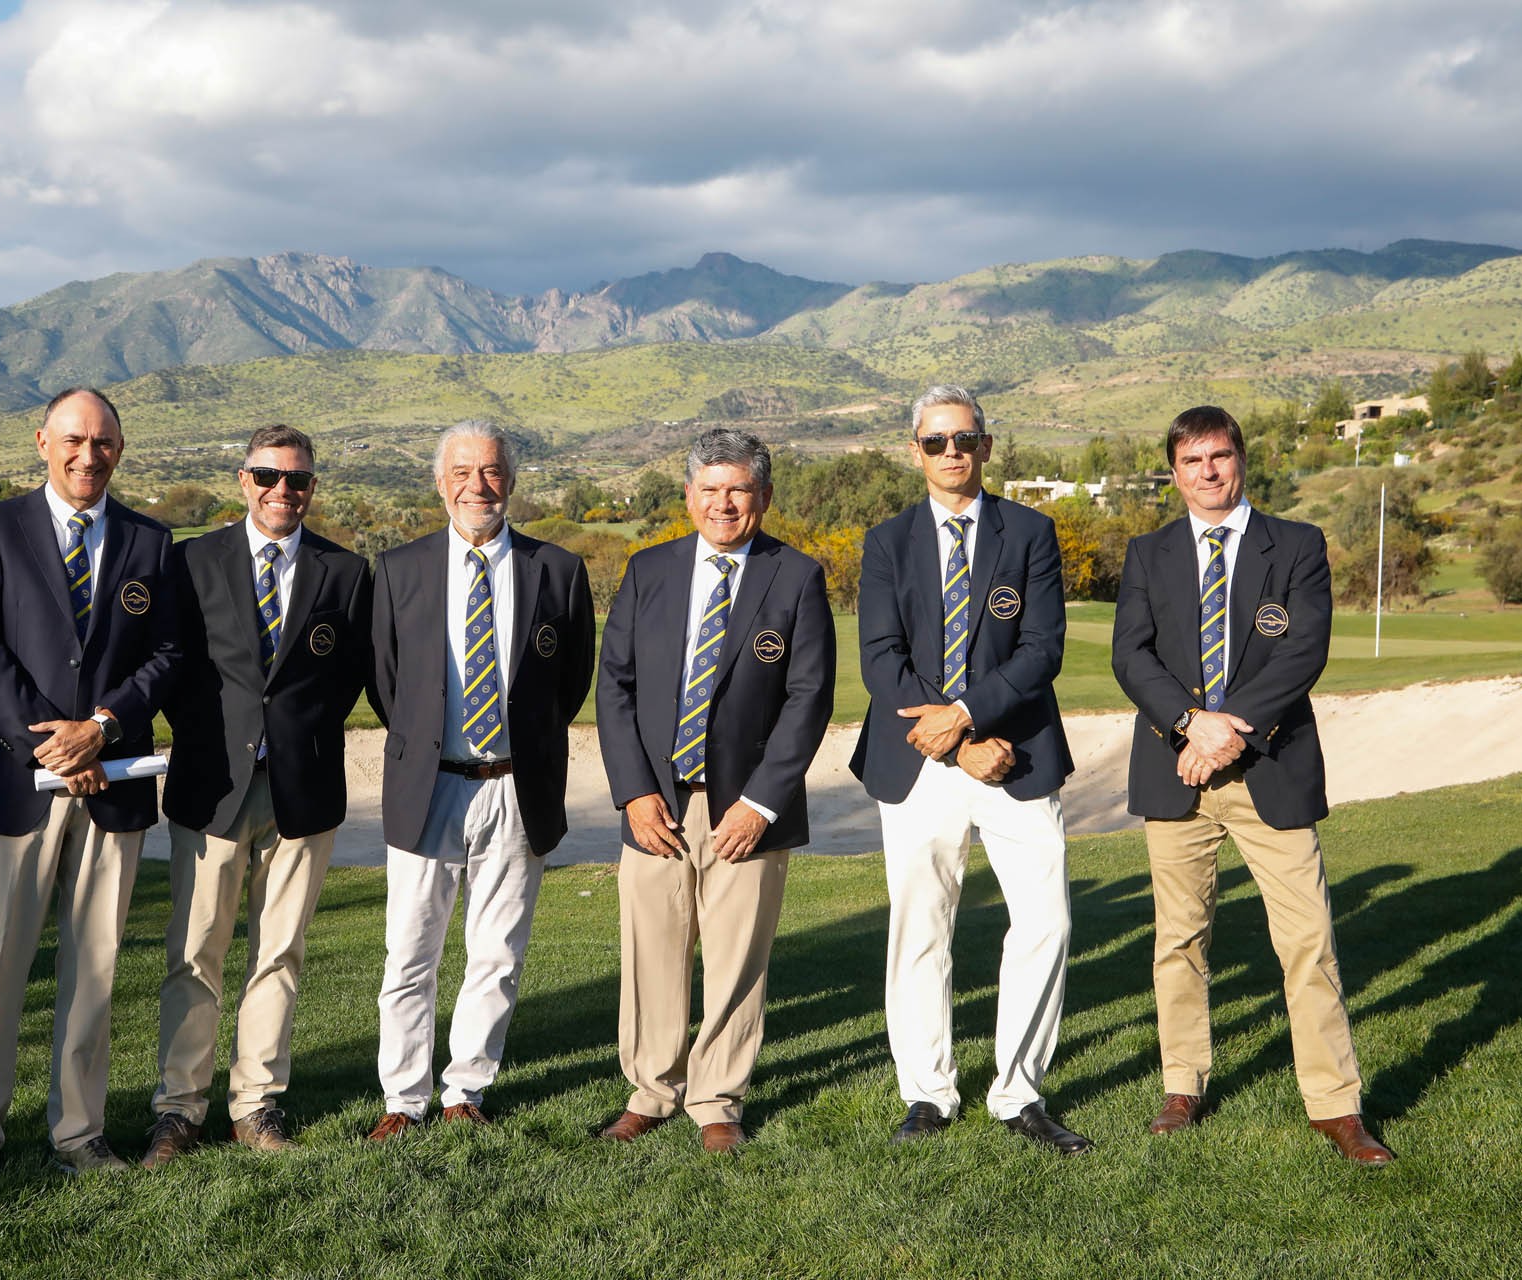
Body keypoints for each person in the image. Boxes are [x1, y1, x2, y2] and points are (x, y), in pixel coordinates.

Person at [1111, 404, 1392, 1165]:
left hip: (1270, 766)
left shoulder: (1295, 544)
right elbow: (1131, 656)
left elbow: (1303, 651)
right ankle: (1183, 1085)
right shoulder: (1148, 552)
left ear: (1241, 459)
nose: (1208, 471)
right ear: (1174, 473)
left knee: (1308, 941)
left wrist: (1225, 730)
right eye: (1192, 460)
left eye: (1220, 456)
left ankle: (1336, 1107)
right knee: (1179, 939)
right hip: (1176, 770)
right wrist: (1190, 725)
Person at [0, 388, 181, 1211]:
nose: (88, 455)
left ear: (121, 449)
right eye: (73, 439)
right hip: (12, 784)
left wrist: (101, 729)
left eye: (103, 442)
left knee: (95, 973)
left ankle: (80, 1132)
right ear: (42, 441)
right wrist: (51, 743)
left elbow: (169, 652)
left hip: (111, 784)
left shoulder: (150, 540)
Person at [849, 384, 1089, 1154]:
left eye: (964, 439)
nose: (951, 452)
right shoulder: (887, 542)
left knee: (1047, 922)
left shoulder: (1031, 532)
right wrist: (956, 742)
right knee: (920, 928)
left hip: (1018, 754)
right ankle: (928, 1094)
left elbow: (1042, 649)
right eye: (935, 441)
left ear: (986, 446)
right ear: (914, 450)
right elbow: (881, 660)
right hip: (919, 762)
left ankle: (1020, 1094)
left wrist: (967, 716)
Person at [594, 427, 835, 1154]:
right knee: (652, 954)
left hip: (746, 809)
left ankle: (717, 1099)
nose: (723, 504)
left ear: (763, 496)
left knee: (736, 962)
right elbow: (615, 688)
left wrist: (759, 804)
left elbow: (808, 698)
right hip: (658, 805)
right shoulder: (649, 570)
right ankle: (651, 1091)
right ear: (688, 495)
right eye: (710, 489)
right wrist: (635, 793)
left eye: (738, 490)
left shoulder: (795, 576)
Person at [140, 425, 373, 1168]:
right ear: (244, 480)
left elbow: (349, 676)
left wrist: (296, 736)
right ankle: (179, 1108)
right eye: (268, 476)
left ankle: (256, 1103)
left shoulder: (346, 572)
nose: (283, 491)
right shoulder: (192, 561)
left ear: (312, 487)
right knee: (194, 952)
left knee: (280, 952)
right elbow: (170, 667)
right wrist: (213, 737)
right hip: (211, 784)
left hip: (303, 789)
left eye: (297, 479)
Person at [365, 420, 594, 1138]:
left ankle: (466, 1089)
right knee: (411, 952)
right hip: (428, 784)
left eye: (491, 471)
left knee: (496, 953)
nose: (478, 485)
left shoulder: (557, 570)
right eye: (462, 472)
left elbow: (570, 682)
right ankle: (403, 1099)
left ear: (511, 481)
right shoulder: (399, 569)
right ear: (440, 482)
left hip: (515, 786)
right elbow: (387, 682)